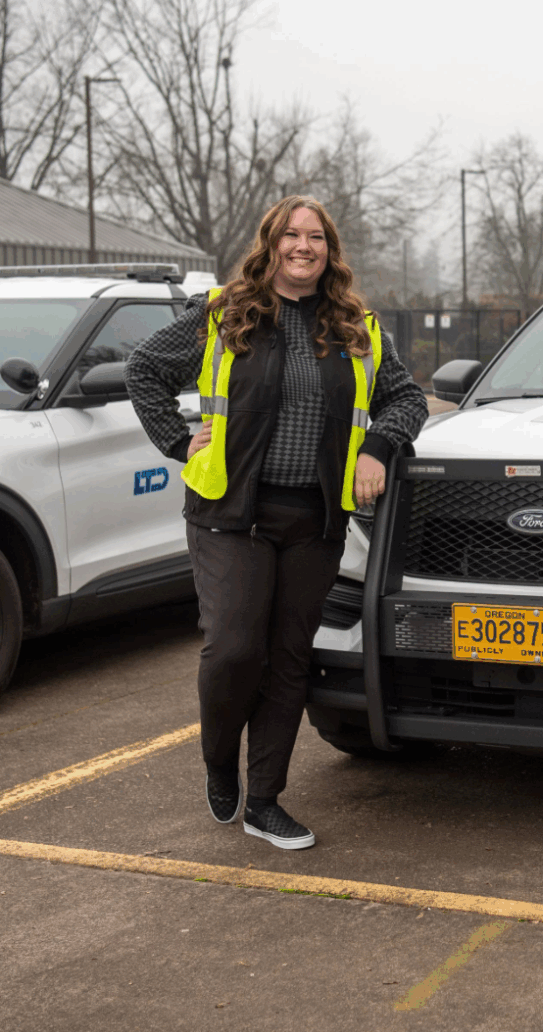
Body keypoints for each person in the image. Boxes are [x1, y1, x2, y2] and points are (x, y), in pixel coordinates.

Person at [126, 195, 427, 850]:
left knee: (289, 660)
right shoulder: (224, 314)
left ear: (330, 250)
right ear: (270, 244)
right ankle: (217, 760)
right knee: (235, 648)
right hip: (230, 514)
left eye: (315, 236)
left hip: (312, 517)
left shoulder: (359, 326)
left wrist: (379, 446)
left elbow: (405, 397)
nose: (303, 246)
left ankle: (264, 800)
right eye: (290, 235)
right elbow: (143, 367)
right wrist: (179, 444)